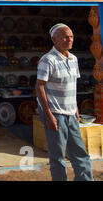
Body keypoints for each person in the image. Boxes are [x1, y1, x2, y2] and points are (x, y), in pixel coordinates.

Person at [35, 23, 93, 181]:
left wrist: (75, 109)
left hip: (71, 114)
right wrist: (48, 115)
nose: (70, 39)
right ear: (54, 39)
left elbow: (72, 86)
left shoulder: (74, 59)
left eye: (72, 37)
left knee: (80, 154)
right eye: (65, 37)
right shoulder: (48, 60)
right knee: (58, 157)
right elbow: (39, 87)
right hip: (55, 114)